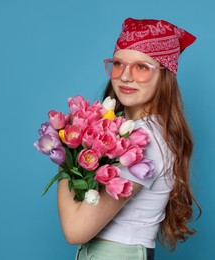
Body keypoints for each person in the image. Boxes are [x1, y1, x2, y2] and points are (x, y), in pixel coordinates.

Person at [57, 18, 200, 260]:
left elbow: (75, 230)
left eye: (141, 67)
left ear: (165, 75)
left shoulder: (144, 141)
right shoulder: (136, 131)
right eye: (118, 64)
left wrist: (66, 152)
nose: (125, 77)